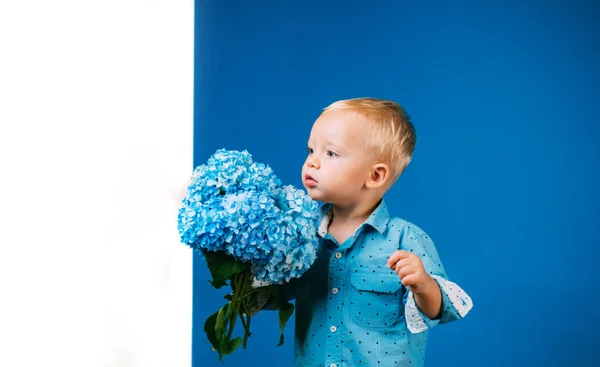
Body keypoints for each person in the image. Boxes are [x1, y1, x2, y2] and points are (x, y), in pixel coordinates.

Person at [256, 97, 473, 366]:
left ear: (375, 176)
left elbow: (443, 309)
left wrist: (423, 285)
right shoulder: (302, 233)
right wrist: (245, 262)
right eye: (311, 150)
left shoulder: (406, 239)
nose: (312, 163)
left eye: (330, 153)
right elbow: (275, 291)